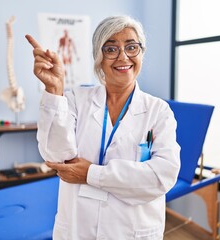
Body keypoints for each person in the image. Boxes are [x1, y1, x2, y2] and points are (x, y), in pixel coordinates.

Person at [26, 15, 180, 240]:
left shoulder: (159, 111)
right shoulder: (77, 99)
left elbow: (161, 177)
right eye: (111, 49)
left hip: (131, 231)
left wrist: (91, 174)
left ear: (141, 53)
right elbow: (56, 156)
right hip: (78, 228)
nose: (123, 56)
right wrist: (54, 89)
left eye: (131, 47)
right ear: (98, 57)